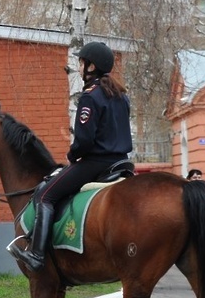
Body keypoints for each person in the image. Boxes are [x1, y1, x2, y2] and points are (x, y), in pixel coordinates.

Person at [8, 42, 133, 272]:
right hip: (122, 162)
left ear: (91, 66)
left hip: (96, 163)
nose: (80, 65)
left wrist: (72, 155)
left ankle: (36, 255)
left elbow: (84, 142)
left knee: (45, 194)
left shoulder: (91, 97)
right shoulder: (121, 96)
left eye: (82, 62)